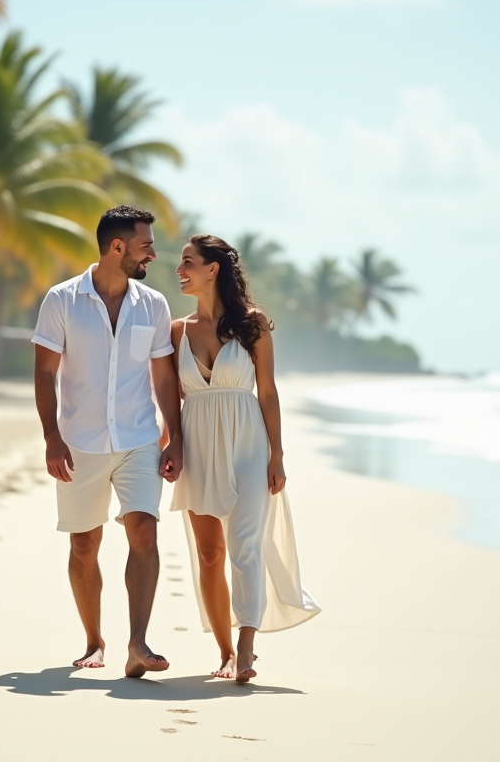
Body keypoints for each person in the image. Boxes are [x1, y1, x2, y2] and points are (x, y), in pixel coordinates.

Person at [32, 205, 184, 678]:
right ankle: (94, 641)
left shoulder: (153, 305)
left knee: (144, 530)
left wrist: (174, 435)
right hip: (79, 443)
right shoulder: (61, 300)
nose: (153, 255)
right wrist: (52, 436)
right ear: (117, 247)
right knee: (84, 544)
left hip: (139, 438)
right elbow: (44, 372)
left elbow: (163, 377)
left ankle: (137, 642)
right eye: (145, 245)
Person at [169, 234, 321, 683]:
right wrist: (171, 445)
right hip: (199, 445)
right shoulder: (175, 330)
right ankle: (223, 651)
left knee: (245, 546)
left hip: (249, 443)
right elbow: (167, 398)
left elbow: (268, 392)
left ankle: (247, 647)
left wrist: (278, 454)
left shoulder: (252, 324)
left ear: (212, 269)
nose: (180, 270)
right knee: (209, 553)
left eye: (188, 262)